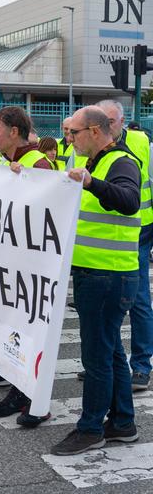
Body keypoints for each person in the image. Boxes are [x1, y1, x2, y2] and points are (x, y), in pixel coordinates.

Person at [49, 106, 141, 456]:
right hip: (99, 272)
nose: (69, 138)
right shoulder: (92, 161)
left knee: (97, 357)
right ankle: (122, 423)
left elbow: (129, 201)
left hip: (107, 275)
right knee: (111, 351)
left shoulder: (120, 162)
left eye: (74, 132)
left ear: (96, 131)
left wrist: (91, 183)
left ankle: (90, 429)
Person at [0, 106, 59, 427]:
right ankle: (15, 384)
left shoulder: (38, 163)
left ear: (14, 131)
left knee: (30, 333)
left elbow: (50, 214)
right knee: (11, 329)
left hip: (32, 270)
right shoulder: (6, 162)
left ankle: (31, 398)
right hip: (11, 265)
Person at [96, 100, 153, 393]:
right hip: (100, 237)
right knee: (104, 304)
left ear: (122, 120)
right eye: (101, 121)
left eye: (111, 121)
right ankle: (104, 361)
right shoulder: (87, 146)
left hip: (137, 231)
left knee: (138, 299)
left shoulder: (142, 143)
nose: (107, 127)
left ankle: (141, 366)